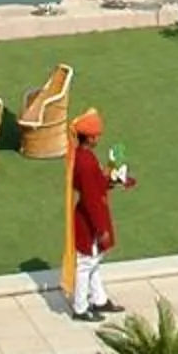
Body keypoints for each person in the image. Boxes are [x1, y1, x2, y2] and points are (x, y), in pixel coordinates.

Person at [65, 109, 132, 321]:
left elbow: (96, 185)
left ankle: (99, 299)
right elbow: (91, 199)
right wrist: (101, 229)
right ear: (90, 137)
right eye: (96, 135)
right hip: (89, 221)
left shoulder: (84, 157)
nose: (98, 138)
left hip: (88, 217)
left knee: (93, 261)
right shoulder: (86, 162)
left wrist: (114, 180)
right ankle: (80, 307)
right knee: (86, 263)